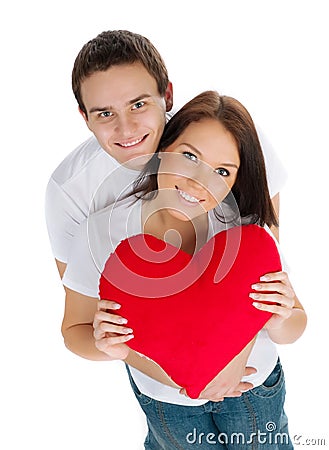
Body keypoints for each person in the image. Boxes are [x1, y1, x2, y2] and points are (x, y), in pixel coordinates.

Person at [45, 29, 288, 400]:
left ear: (167, 96)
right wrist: (184, 375)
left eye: (139, 104)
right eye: (105, 113)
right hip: (162, 387)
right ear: (84, 116)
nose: (126, 129)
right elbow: (80, 320)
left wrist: (230, 359)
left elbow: (263, 261)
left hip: (249, 376)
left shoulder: (227, 136)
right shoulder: (71, 191)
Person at [61, 91, 307, 449]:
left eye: (222, 171)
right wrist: (109, 347)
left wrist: (279, 318)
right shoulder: (102, 231)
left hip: (253, 391)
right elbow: (73, 331)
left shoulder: (245, 229)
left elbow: (295, 326)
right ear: (163, 148)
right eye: (189, 156)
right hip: (168, 403)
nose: (197, 182)